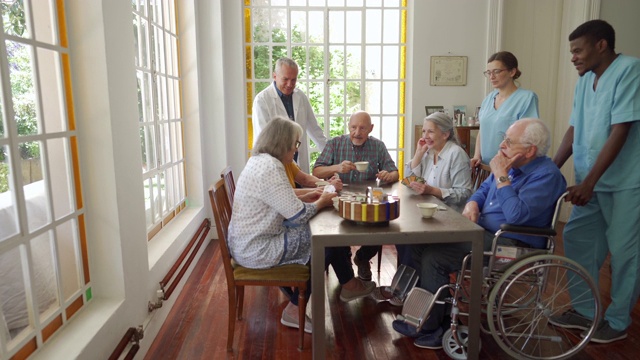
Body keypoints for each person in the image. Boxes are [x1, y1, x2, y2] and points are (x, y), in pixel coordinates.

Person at [393, 118, 566, 349]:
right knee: (420, 244)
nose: (501, 145)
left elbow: (516, 215)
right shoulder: (512, 164)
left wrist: (501, 176)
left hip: (508, 242)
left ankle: (433, 326)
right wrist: (473, 204)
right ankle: (435, 316)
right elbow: (481, 190)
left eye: (508, 141)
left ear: (530, 150)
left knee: (434, 257)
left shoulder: (546, 176)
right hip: (480, 231)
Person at [228, 118, 373, 333]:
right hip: (257, 249)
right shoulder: (271, 167)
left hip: (248, 242)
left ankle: (348, 283)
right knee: (326, 240)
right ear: (283, 143)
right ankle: (296, 308)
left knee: (327, 234)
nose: (296, 149)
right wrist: (321, 201)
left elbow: (281, 197)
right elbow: (296, 216)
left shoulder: (260, 161)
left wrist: (312, 195)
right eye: (296, 144)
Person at [548, 20, 640, 344]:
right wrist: (550, 168)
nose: (573, 57)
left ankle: (618, 321)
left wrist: (588, 182)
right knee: (577, 239)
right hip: (591, 182)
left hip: (626, 182)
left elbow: (621, 128)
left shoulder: (630, 70)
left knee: (625, 252)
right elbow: (575, 128)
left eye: (578, 50)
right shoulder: (585, 81)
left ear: (601, 45)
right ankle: (586, 311)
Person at [312, 111, 399, 281]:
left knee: (383, 226)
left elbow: (394, 171)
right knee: (337, 230)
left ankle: (363, 257)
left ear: (371, 129)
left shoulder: (377, 146)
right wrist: (337, 168)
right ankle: (346, 271)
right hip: (338, 199)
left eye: (362, 128)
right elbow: (316, 171)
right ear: (348, 126)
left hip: (367, 199)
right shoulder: (335, 144)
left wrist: (389, 176)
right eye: (353, 127)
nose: (357, 132)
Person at [252, 57, 327, 173]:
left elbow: (315, 130)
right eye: (285, 79)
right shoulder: (262, 100)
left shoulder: (300, 96)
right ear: (275, 76)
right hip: (274, 166)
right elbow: (264, 141)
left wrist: (331, 156)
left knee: (304, 189)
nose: (289, 84)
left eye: (293, 80)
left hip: (299, 163)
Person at [470, 51, 539, 168]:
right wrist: (477, 156)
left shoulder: (526, 98)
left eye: (497, 71)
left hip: (510, 167)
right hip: (486, 167)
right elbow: (483, 130)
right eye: (488, 72)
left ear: (512, 72)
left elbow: (528, 136)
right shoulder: (488, 99)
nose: (491, 76)